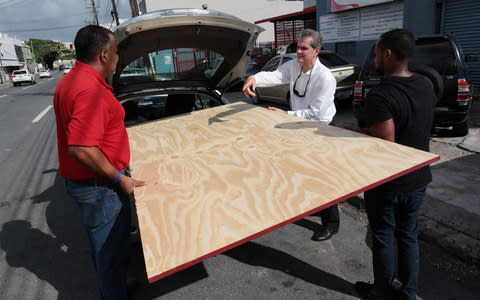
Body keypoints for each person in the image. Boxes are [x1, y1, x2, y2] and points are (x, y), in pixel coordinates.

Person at [53, 25, 145, 300]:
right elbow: (81, 147)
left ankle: (114, 285)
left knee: (103, 250)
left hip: (87, 186)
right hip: (99, 187)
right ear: (104, 55)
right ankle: (113, 291)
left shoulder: (70, 80)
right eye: (116, 52)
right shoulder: (88, 90)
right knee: (110, 253)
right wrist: (120, 178)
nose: (117, 58)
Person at [351, 29, 436, 300]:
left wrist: (355, 134)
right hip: (419, 177)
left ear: (387, 54)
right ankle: (409, 293)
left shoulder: (381, 95)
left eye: (376, 51)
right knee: (408, 237)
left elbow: (386, 145)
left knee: (384, 236)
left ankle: (382, 290)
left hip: (390, 182)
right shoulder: (425, 84)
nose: (374, 56)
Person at [242, 28, 340, 242]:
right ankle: (315, 206)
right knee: (302, 171)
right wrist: (254, 78)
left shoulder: (325, 78)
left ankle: (331, 222)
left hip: (320, 129)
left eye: (304, 48)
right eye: (298, 47)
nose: (299, 52)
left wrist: (285, 115)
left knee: (323, 176)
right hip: (296, 126)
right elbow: (276, 75)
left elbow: (318, 114)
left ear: (316, 50)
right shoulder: (295, 67)